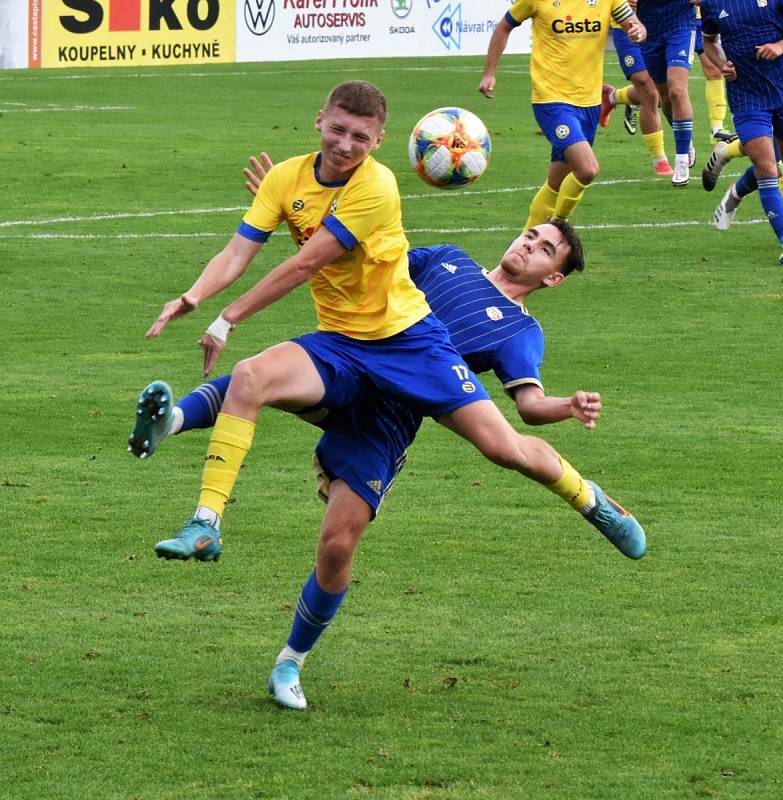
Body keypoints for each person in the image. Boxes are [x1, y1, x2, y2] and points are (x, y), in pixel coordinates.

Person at [139, 81, 647, 709]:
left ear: (554, 277)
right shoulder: (451, 259)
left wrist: (567, 407)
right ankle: (195, 494)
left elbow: (528, 404)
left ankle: (592, 501)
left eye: (544, 249)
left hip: (411, 375)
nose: (527, 244)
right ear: (319, 121)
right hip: (352, 347)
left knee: (479, 464)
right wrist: (299, 211)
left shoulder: (520, 330)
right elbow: (375, 252)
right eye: (531, 235)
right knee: (253, 377)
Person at [478, 1, 646, 229]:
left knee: (555, 184)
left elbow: (633, 25)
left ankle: (521, 249)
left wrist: (638, 31)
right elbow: (503, 27)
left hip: (589, 103)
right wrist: (489, 73)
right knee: (587, 170)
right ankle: (558, 228)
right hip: (551, 101)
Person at [700, 0, 783, 263]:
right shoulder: (713, 4)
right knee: (767, 166)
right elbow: (709, 41)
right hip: (747, 96)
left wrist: (779, 46)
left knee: (776, 163)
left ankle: (736, 191)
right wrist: (722, 64)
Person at [631, 0, 698, 186]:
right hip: (649, 29)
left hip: (680, 24)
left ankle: (681, 160)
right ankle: (686, 137)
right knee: (666, 96)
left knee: (677, 90)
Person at [601, 22, 674, 177]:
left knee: (665, 93)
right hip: (626, 26)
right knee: (649, 93)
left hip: (658, 25)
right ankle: (659, 159)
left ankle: (613, 97)